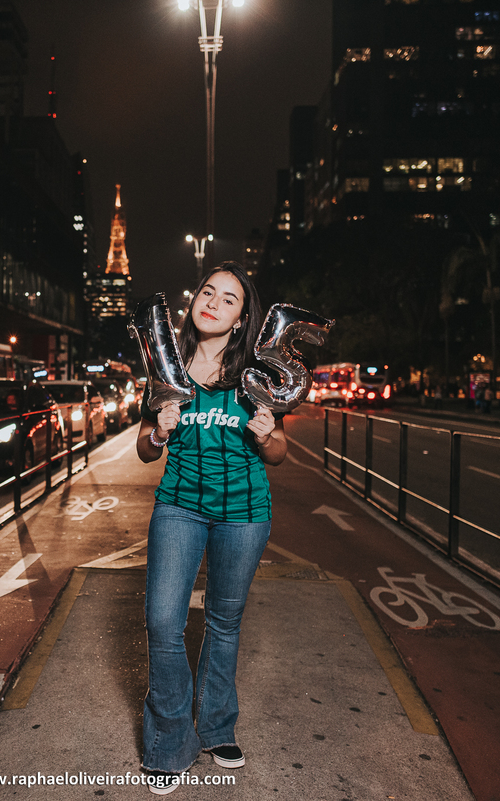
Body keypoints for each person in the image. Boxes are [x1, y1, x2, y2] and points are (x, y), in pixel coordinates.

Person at [134, 262, 287, 795]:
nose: (213, 303)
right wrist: (158, 430)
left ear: (243, 318)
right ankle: (170, 743)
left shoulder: (257, 374)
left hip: (244, 512)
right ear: (193, 300)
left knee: (224, 622)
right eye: (208, 292)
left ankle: (217, 727)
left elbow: (279, 454)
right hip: (179, 505)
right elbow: (145, 451)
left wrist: (267, 435)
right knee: (162, 621)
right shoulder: (165, 367)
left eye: (229, 300)